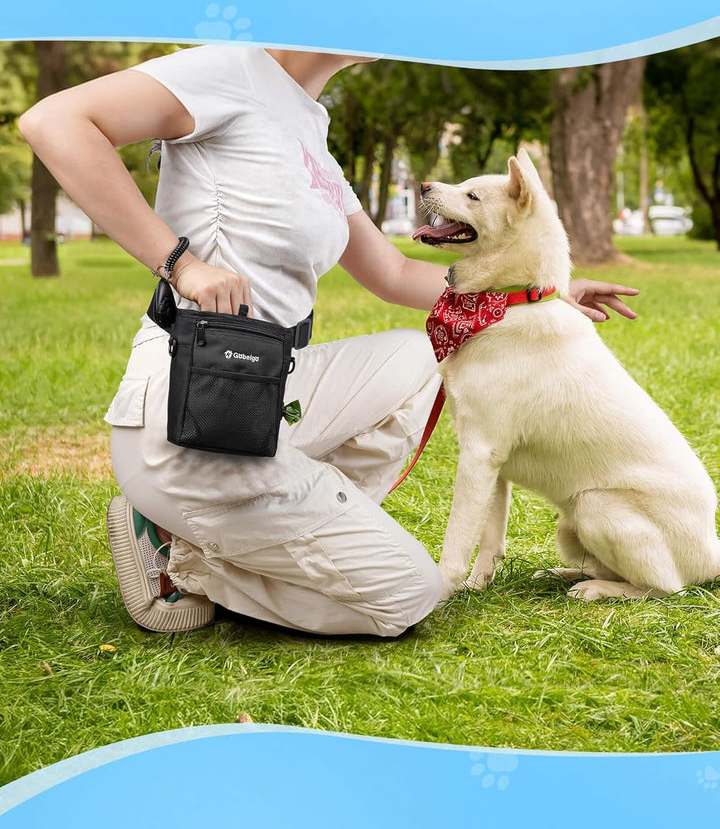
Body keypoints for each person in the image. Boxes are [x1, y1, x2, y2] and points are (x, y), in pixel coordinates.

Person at [19, 45, 639, 637]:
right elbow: (56, 122)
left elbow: (393, 273)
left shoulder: (309, 126)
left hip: (267, 388)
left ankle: (241, 529)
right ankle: (180, 555)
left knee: (423, 355)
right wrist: (181, 264)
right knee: (408, 595)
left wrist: (543, 293)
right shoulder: (228, 69)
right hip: (196, 402)